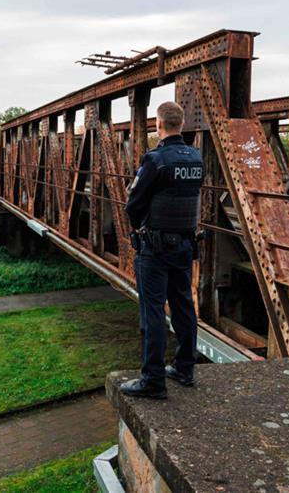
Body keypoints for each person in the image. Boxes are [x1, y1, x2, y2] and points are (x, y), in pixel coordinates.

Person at [120, 101, 204, 399]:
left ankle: (152, 379)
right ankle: (185, 368)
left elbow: (133, 204)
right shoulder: (196, 158)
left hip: (154, 248)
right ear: (181, 124)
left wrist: (140, 227)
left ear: (158, 124)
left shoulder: (156, 160)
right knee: (183, 306)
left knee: (152, 311)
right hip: (184, 245)